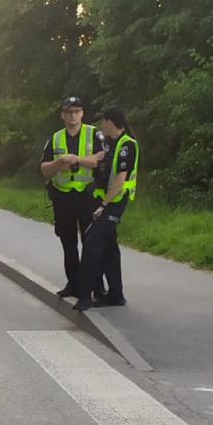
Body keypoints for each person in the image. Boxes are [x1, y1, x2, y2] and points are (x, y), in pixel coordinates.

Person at [39, 96, 109, 298]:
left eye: (76, 111)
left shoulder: (94, 134)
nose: (73, 115)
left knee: (91, 243)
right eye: (69, 112)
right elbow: (44, 169)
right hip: (63, 197)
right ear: (63, 115)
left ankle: (97, 286)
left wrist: (78, 159)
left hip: (87, 195)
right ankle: (74, 283)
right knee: (68, 242)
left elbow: (101, 161)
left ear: (82, 113)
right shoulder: (55, 138)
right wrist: (59, 162)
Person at [73, 106, 138, 311]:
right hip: (104, 200)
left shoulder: (127, 145)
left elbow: (120, 179)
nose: (101, 125)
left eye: (103, 121)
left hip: (115, 202)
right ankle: (116, 294)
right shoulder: (110, 143)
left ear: (111, 122)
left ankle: (84, 295)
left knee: (91, 245)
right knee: (110, 247)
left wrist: (103, 205)